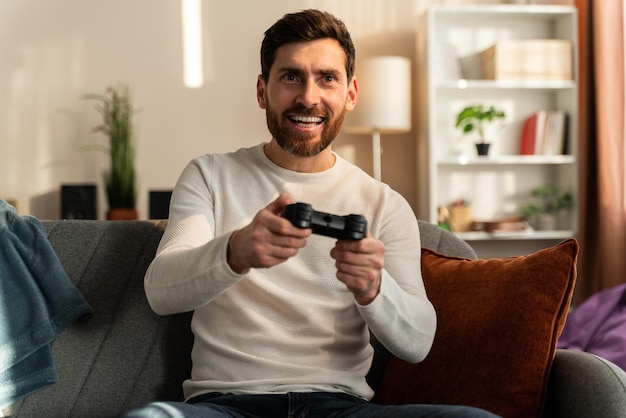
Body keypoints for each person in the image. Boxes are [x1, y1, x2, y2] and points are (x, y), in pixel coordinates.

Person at [123, 9, 499, 418]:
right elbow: (161, 291)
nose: (308, 97)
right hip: (226, 407)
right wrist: (236, 251)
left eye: (327, 78)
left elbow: (419, 341)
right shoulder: (210, 175)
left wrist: (374, 287)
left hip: (342, 407)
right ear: (262, 91)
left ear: (351, 94)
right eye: (290, 77)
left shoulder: (384, 204)